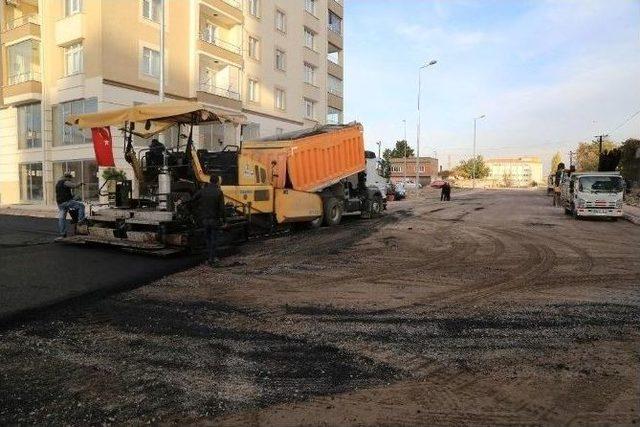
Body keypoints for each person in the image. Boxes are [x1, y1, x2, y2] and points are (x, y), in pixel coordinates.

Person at [192, 176, 226, 266]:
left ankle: (209, 258)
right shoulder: (219, 192)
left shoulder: (203, 191)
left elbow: (193, 199)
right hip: (214, 220)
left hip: (204, 220)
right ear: (217, 182)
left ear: (210, 181)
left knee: (207, 239)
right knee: (214, 239)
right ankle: (213, 258)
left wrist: (199, 209)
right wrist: (224, 220)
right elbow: (222, 209)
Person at [56, 172, 86, 238]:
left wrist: (74, 197)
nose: (70, 181)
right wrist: (80, 183)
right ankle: (80, 221)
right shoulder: (65, 182)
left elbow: (64, 193)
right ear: (67, 177)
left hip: (60, 203)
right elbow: (74, 185)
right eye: (70, 179)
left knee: (62, 218)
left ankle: (63, 233)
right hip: (66, 202)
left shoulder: (58, 183)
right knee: (81, 206)